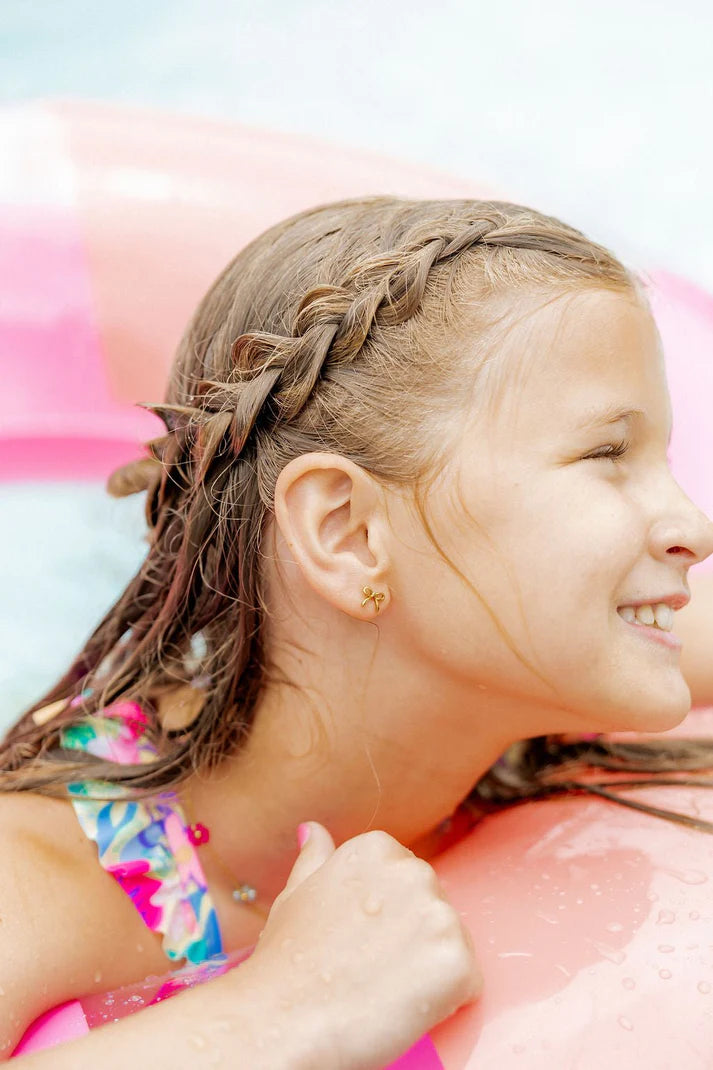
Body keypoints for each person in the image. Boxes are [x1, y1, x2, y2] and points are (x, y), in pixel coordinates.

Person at [2, 196, 712, 1067]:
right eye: (605, 456)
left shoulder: (561, 652)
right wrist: (280, 1014)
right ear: (348, 533)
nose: (693, 526)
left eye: (662, 459)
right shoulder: (38, 878)